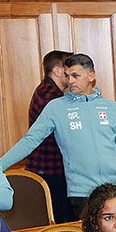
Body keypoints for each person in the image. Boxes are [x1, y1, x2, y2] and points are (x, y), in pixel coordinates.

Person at [0, 52, 116, 212]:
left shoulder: (113, 108)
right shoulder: (56, 107)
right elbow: (29, 142)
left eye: (75, 76)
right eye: (67, 76)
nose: (70, 81)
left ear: (91, 76)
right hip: (82, 193)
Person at [24, 50, 73, 221]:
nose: (71, 76)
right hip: (49, 171)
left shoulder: (49, 92)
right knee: (61, 221)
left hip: (51, 169)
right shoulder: (50, 96)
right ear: (58, 71)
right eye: (68, 69)